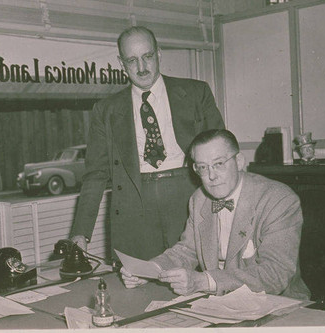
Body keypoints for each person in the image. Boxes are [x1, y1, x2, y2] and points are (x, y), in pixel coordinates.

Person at [69, 26, 225, 260]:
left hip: (188, 198)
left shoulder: (196, 92)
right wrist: (81, 232)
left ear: (159, 54)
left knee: (195, 280)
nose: (141, 68)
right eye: (132, 60)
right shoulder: (106, 110)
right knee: (136, 285)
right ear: (121, 63)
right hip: (134, 206)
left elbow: (220, 152)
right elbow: (95, 173)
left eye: (148, 57)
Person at [121, 129, 310, 299]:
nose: (211, 176)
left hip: (278, 304)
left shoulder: (278, 199)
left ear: (238, 161)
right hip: (219, 304)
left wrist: (204, 281)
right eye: (203, 167)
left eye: (218, 164)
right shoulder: (199, 199)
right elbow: (187, 250)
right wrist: (149, 271)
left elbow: (275, 273)